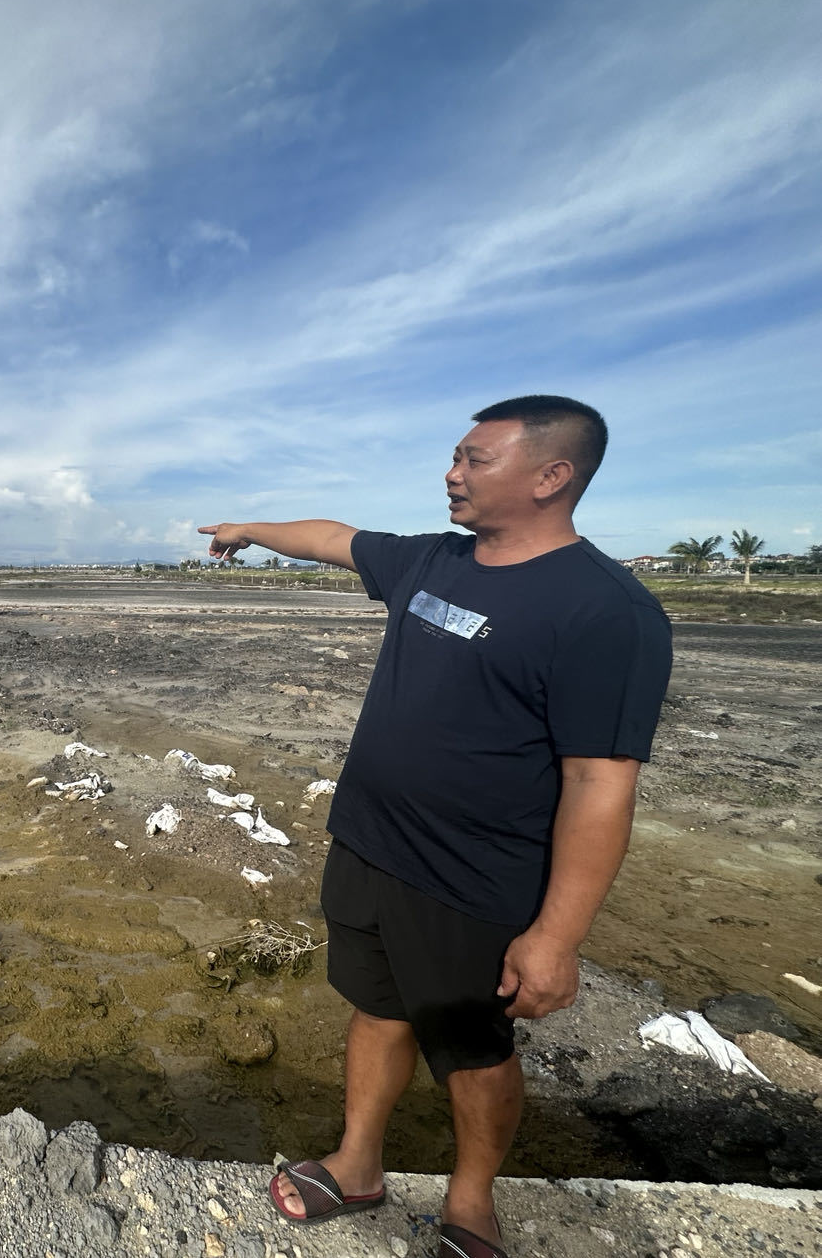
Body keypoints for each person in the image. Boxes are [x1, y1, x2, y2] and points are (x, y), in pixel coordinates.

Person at [197, 396, 671, 1258]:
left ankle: (472, 1203)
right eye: (455, 456)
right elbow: (334, 539)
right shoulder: (432, 562)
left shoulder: (608, 613)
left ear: (551, 475)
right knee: (376, 1010)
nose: (452, 473)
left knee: (472, 1050)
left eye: (474, 458)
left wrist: (556, 938)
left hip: (474, 880)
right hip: (369, 845)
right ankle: (357, 1164)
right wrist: (249, 527)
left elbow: (601, 781)